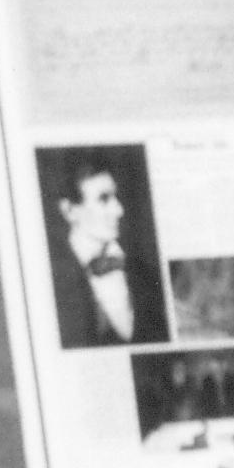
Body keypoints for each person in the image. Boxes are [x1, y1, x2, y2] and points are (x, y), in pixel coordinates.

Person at [42, 149, 161, 349]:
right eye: (104, 199)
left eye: (116, 197)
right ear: (69, 211)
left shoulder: (143, 272)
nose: (119, 210)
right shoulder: (50, 278)